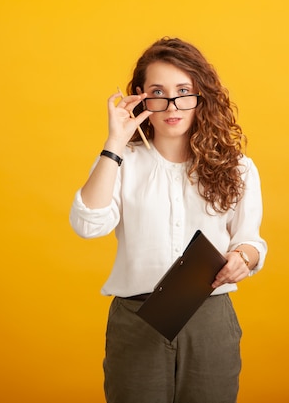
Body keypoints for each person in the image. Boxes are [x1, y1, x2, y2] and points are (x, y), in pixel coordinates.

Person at [69, 37, 267, 403]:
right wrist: (114, 142)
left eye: (183, 91)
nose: (172, 105)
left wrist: (242, 259)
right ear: (141, 98)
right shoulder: (122, 162)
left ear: (200, 97)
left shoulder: (237, 168)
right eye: (158, 92)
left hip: (209, 316)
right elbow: (88, 224)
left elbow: (251, 241)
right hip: (137, 318)